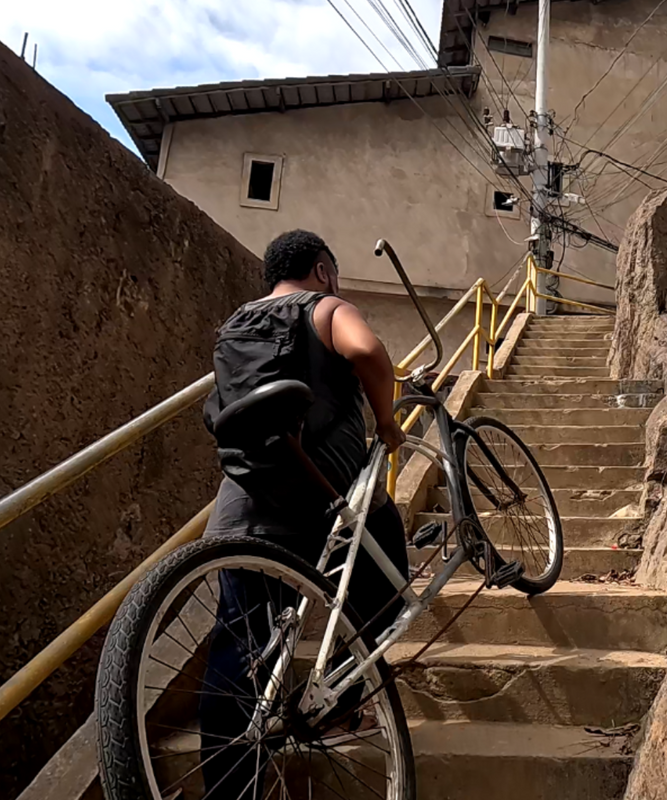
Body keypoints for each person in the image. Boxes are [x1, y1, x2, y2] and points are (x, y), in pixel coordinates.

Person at [196, 230, 409, 798]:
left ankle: (227, 788)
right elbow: (367, 352)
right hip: (323, 496)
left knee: (240, 647)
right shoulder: (326, 306)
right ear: (322, 269)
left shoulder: (235, 325)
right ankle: (340, 700)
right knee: (388, 588)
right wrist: (386, 423)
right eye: (332, 273)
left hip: (243, 504)